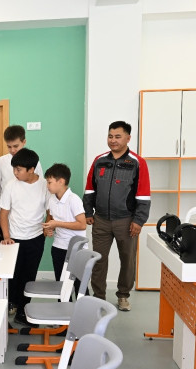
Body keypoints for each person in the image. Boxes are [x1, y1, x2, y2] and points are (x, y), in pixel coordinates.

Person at [83, 121, 151, 312]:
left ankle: (123, 295)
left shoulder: (137, 162)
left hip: (126, 221)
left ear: (128, 138)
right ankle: (99, 297)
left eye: (118, 136)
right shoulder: (99, 160)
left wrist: (138, 221)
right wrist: (88, 212)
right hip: (101, 220)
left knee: (127, 260)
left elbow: (143, 194)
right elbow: (90, 188)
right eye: (110, 136)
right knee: (99, 260)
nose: (113, 140)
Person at [0, 148, 49, 326]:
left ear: (31, 169)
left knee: (29, 276)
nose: (15, 173)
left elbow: (50, 210)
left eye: (19, 169)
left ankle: (22, 311)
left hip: (36, 238)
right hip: (14, 239)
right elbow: (4, 213)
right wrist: (6, 236)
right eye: (14, 169)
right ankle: (8, 307)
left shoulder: (44, 185)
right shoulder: (11, 185)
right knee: (12, 276)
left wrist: (47, 227)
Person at [43, 163, 87, 282]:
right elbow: (51, 219)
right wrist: (48, 229)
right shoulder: (52, 199)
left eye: (49, 182)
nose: (47, 186)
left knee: (78, 284)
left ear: (61, 182)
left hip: (76, 248)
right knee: (61, 283)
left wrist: (56, 224)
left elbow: (82, 225)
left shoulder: (74, 199)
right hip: (58, 247)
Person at [0, 125, 43, 195]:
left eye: (15, 146)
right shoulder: (0, 162)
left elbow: (40, 185)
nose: (12, 150)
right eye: (9, 147)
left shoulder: (34, 162)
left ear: (24, 142)